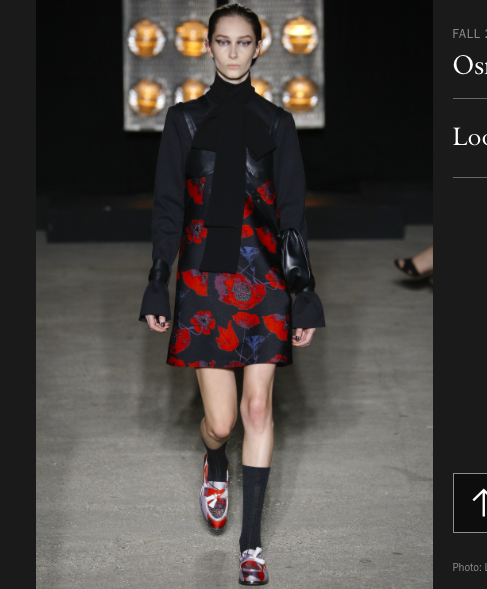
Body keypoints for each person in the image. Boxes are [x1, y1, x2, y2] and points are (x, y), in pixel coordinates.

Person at [138, 3, 325, 584]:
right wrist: (158, 282)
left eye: (244, 42)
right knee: (220, 422)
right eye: (224, 42)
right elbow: (169, 207)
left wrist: (304, 292)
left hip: (265, 280)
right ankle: (215, 460)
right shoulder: (184, 121)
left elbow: (291, 215)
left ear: (259, 48)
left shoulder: (278, 124)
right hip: (204, 281)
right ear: (208, 47)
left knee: (257, 408)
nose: (234, 52)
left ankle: (251, 546)